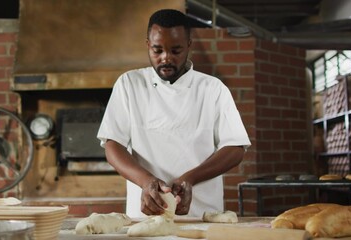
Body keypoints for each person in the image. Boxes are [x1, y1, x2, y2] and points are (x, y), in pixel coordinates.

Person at [97, 9, 251, 218]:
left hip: (202, 214)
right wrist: (146, 181)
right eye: (157, 50)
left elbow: (235, 147)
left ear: (189, 45)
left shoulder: (212, 88)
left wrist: (191, 178)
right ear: (147, 45)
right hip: (146, 216)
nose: (166, 58)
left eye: (176, 50)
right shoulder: (129, 84)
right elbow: (113, 145)